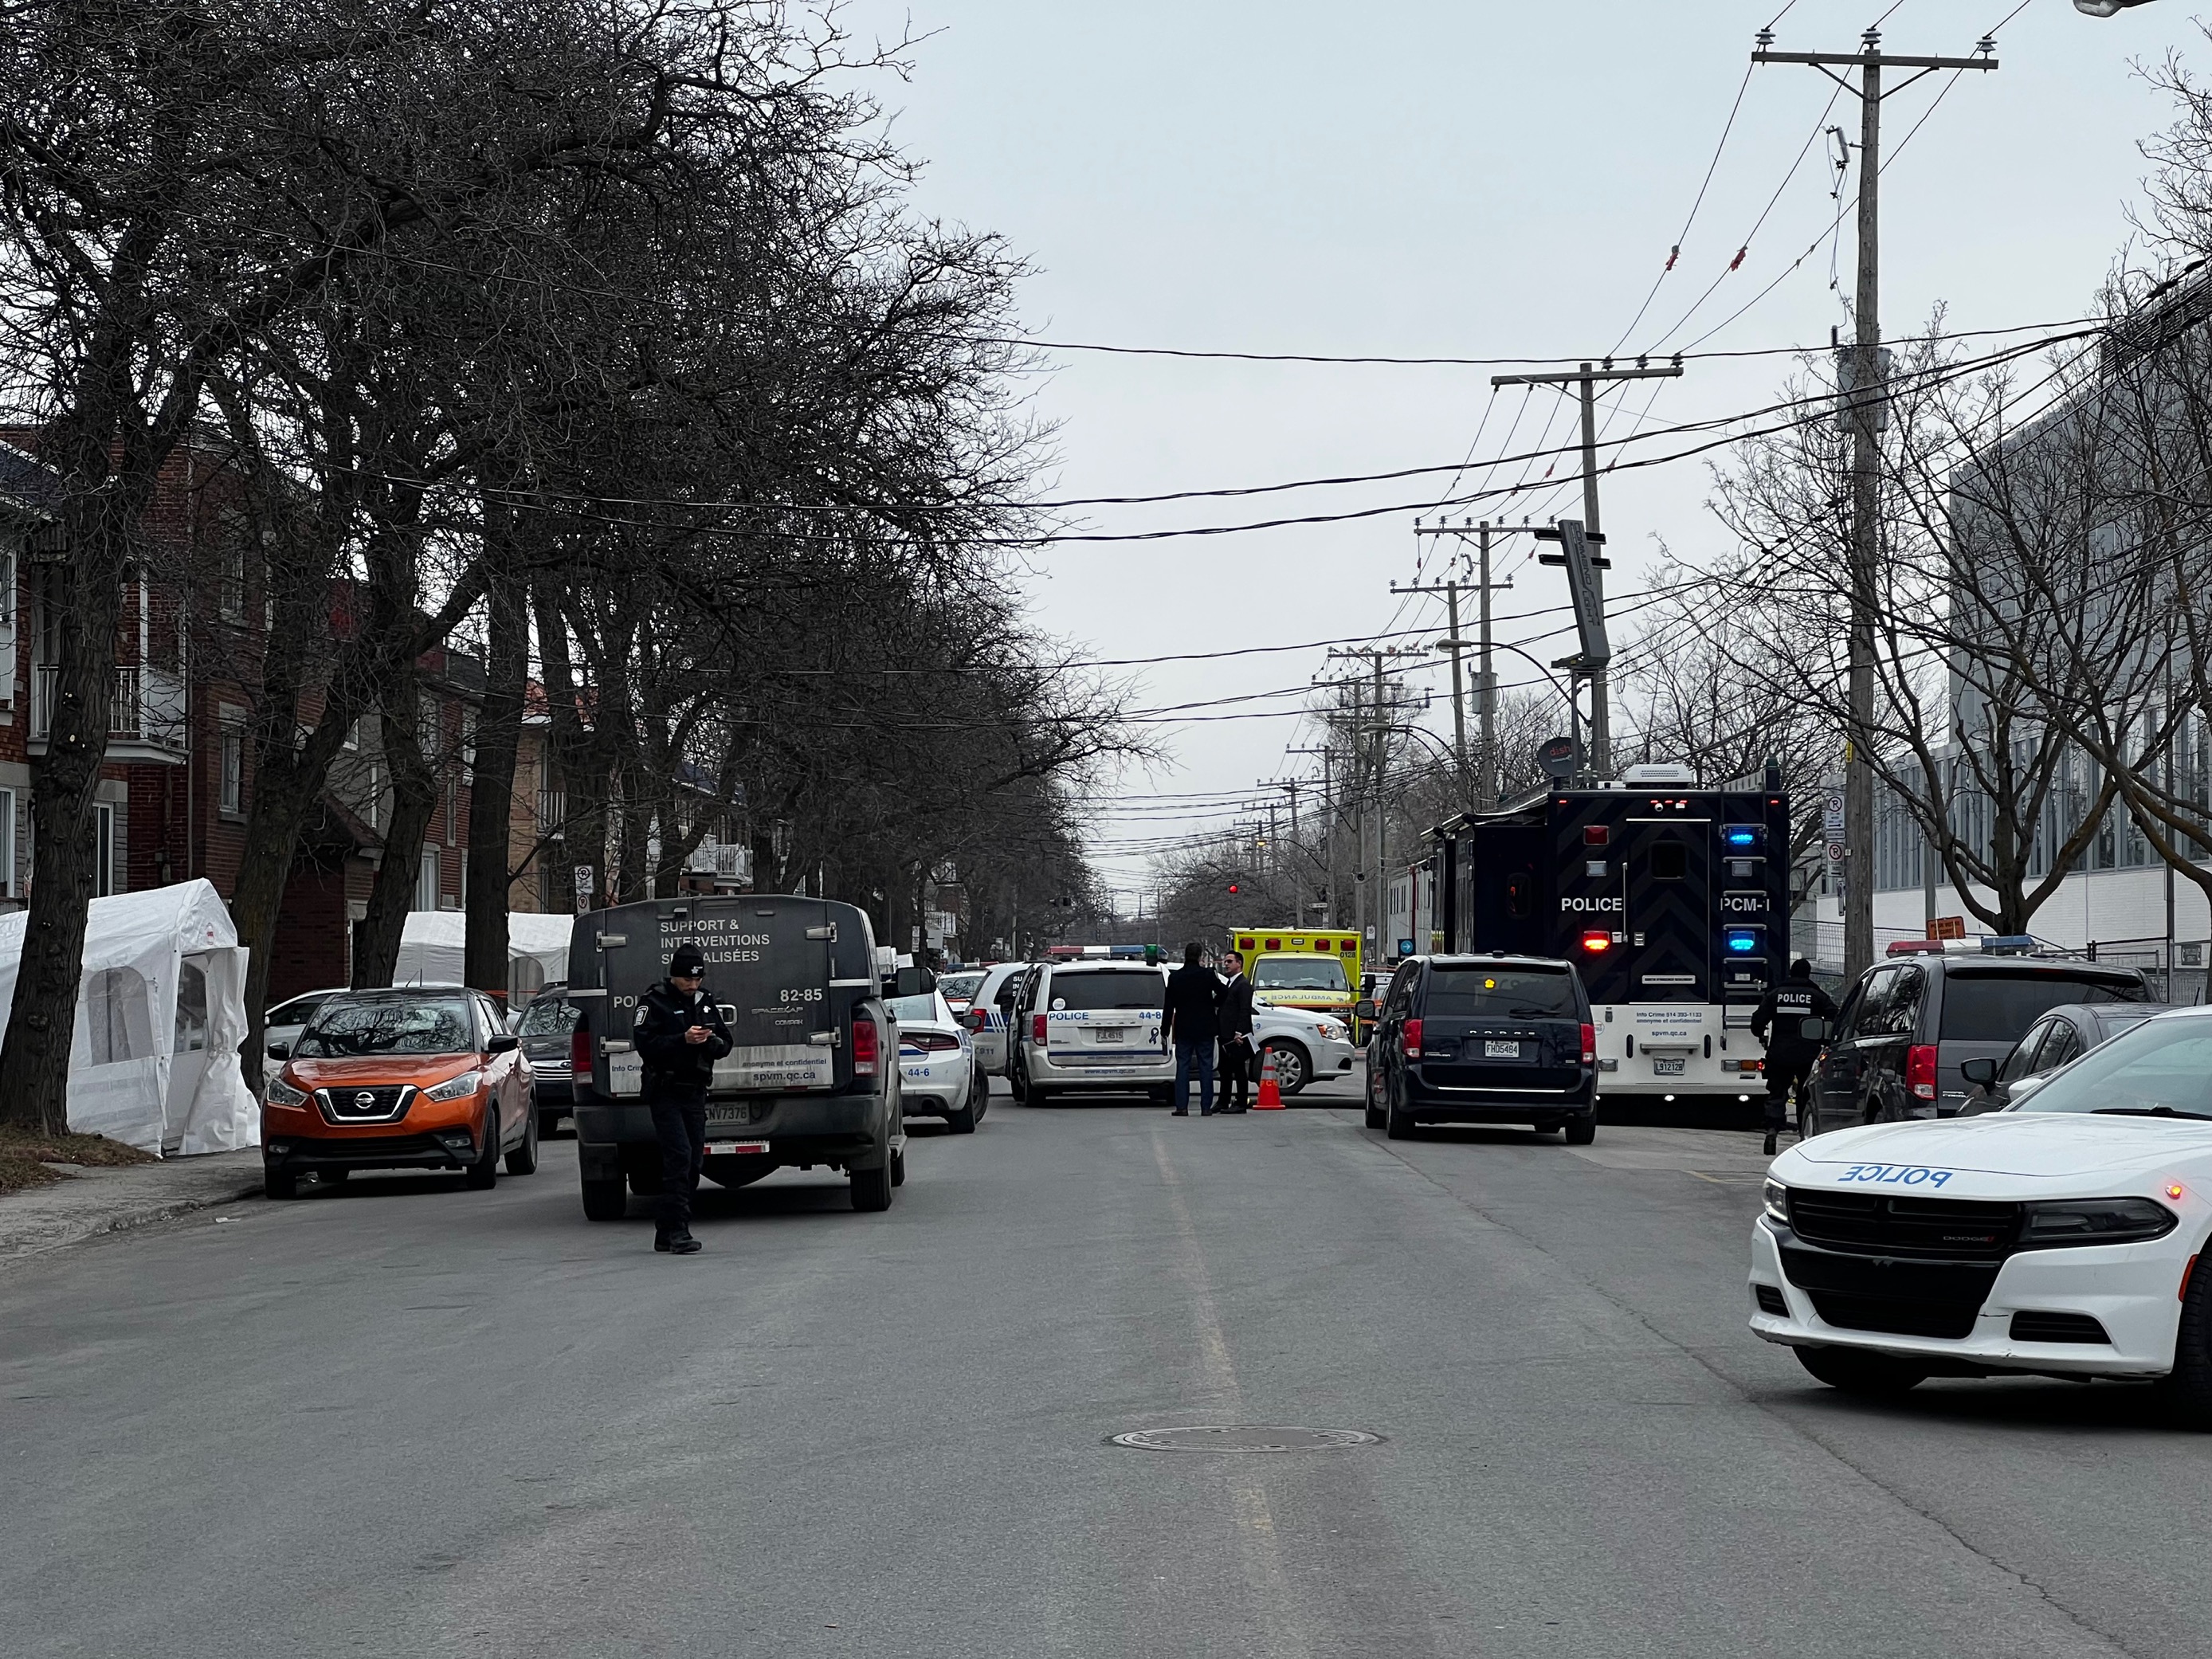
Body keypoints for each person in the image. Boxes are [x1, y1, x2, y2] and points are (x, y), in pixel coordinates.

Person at [633, 942, 734, 1253]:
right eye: (687, 979)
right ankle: (679, 1230)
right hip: (665, 1091)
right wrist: (683, 1040)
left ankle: (665, 1229)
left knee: (693, 1162)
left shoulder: (705, 1002)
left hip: (695, 1091)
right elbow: (645, 1044)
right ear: (674, 976)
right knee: (678, 1157)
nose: (693, 985)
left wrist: (711, 1041)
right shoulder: (654, 1002)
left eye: (697, 979)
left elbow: (726, 1043)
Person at [1750, 958, 1837, 1156]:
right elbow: (1835, 1015)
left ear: (1791, 972)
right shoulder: (1817, 996)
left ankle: (1772, 1130)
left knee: (1777, 1094)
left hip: (1779, 1054)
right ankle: (1802, 1137)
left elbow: (1757, 1021)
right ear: (1808, 974)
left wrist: (1761, 1035)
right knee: (1804, 1096)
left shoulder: (1776, 994)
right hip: (1807, 1054)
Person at [1161, 941, 1222, 1116]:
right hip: (1205, 1027)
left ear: (1186, 955)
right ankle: (1206, 1107)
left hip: (1184, 1028)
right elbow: (1224, 993)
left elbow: (1168, 1006)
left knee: (1183, 1067)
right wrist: (1211, 1004)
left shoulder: (1175, 977)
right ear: (1200, 956)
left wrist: (1165, 1030)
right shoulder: (1208, 975)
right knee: (1205, 1066)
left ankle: (1182, 1107)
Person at [1216, 954, 1257, 1112]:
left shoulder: (1243, 985)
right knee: (1224, 1069)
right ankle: (1223, 1101)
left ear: (1239, 964)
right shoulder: (1230, 984)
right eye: (1225, 962)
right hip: (1225, 1034)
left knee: (1238, 1069)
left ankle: (1241, 1103)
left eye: (1230, 962)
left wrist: (1239, 1032)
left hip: (1236, 1036)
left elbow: (1244, 1010)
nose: (1226, 964)